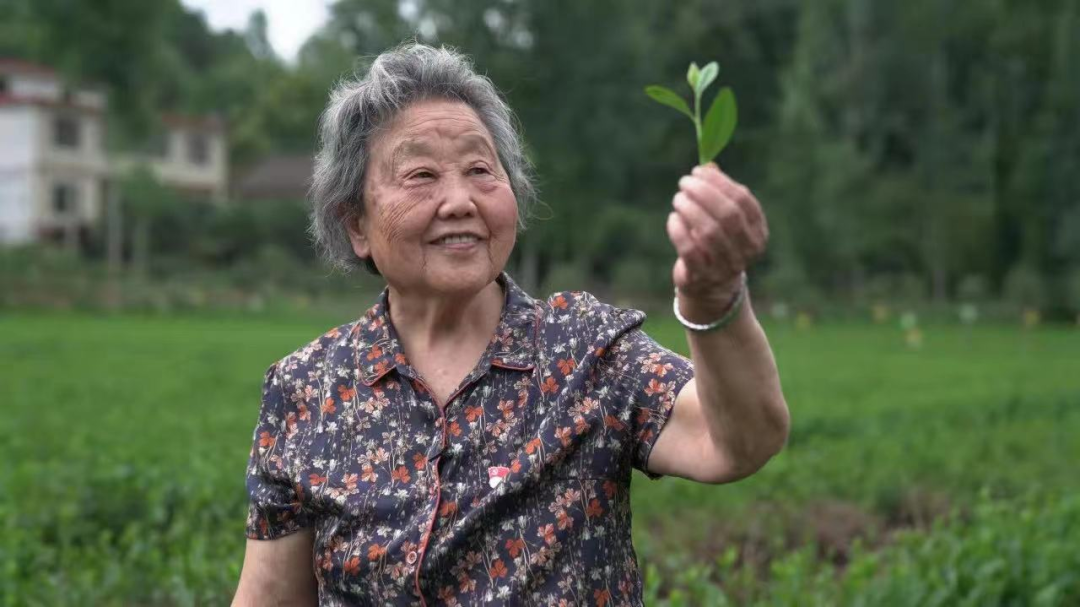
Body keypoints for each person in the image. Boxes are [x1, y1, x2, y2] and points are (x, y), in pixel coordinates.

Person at [232, 42, 789, 607]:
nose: (459, 200)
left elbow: (737, 441)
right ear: (356, 224)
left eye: (480, 169)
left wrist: (715, 297)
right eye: (421, 174)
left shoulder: (586, 350)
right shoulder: (305, 391)